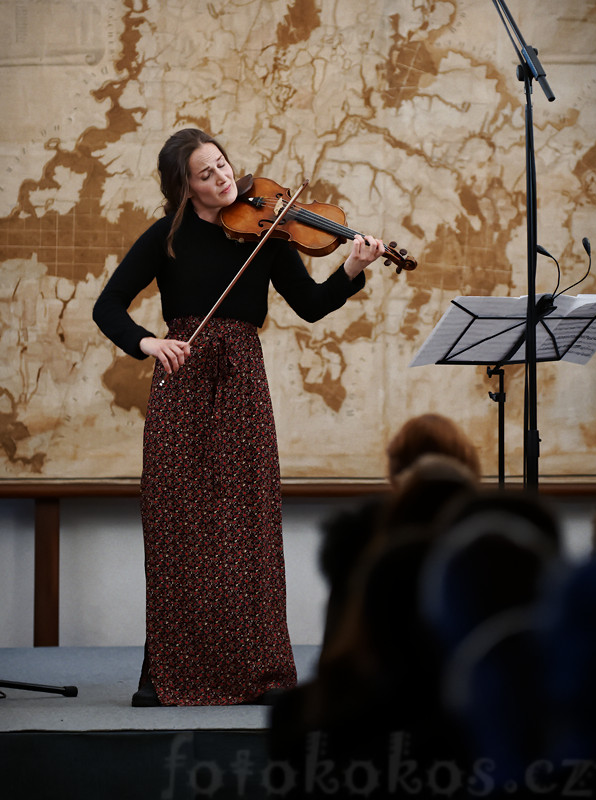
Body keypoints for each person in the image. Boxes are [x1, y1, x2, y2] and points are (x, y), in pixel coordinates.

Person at [92, 128, 385, 707]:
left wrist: (351, 270)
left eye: (223, 165)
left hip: (242, 382)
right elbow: (108, 306)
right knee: (178, 525)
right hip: (181, 383)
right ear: (184, 189)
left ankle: (259, 672)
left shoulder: (269, 234)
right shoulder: (165, 238)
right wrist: (149, 343)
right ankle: (164, 672)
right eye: (206, 174)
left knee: (245, 525)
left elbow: (309, 305)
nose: (224, 179)